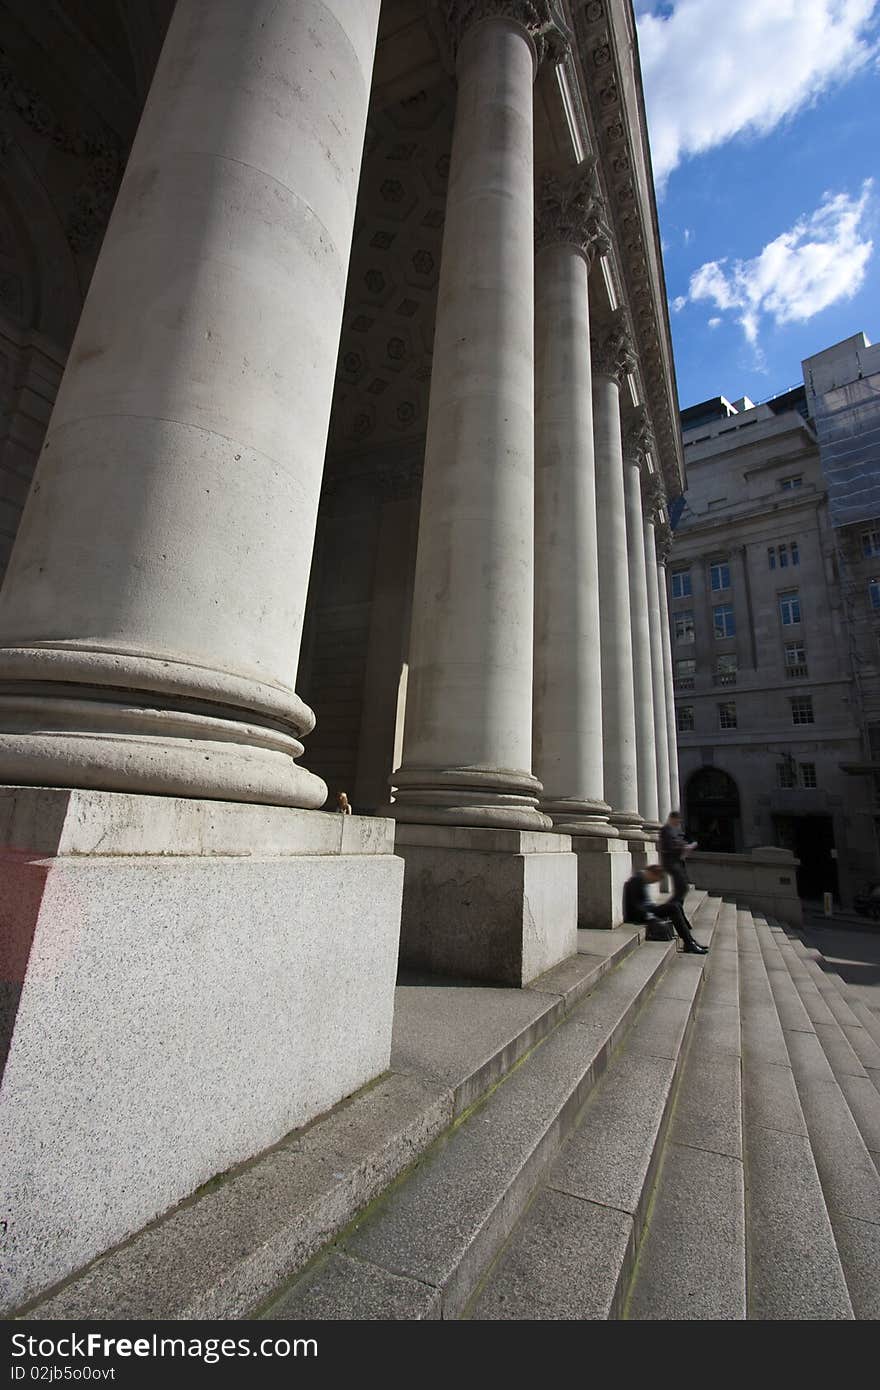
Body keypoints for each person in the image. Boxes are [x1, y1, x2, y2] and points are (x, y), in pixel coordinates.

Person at [622, 864, 708, 954]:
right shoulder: (636, 880)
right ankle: (689, 942)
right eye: (655, 880)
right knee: (673, 907)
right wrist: (651, 917)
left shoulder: (641, 879)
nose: (653, 882)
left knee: (676, 904)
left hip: (649, 910)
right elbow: (635, 905)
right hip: (642, 914)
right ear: (652, 874)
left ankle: (690, 940)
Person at [659, 809, 697, 907]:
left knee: (682, 888)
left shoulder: (677, 830)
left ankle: (674, 909)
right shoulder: (665, 830)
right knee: (682, 888)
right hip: (671, 863)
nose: (678, 823)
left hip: (678, 862)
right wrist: (683, 847)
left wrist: (686, 846)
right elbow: (669, 846)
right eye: (677, 820)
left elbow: (680, 841)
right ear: (672, 819)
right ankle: (670, 910)